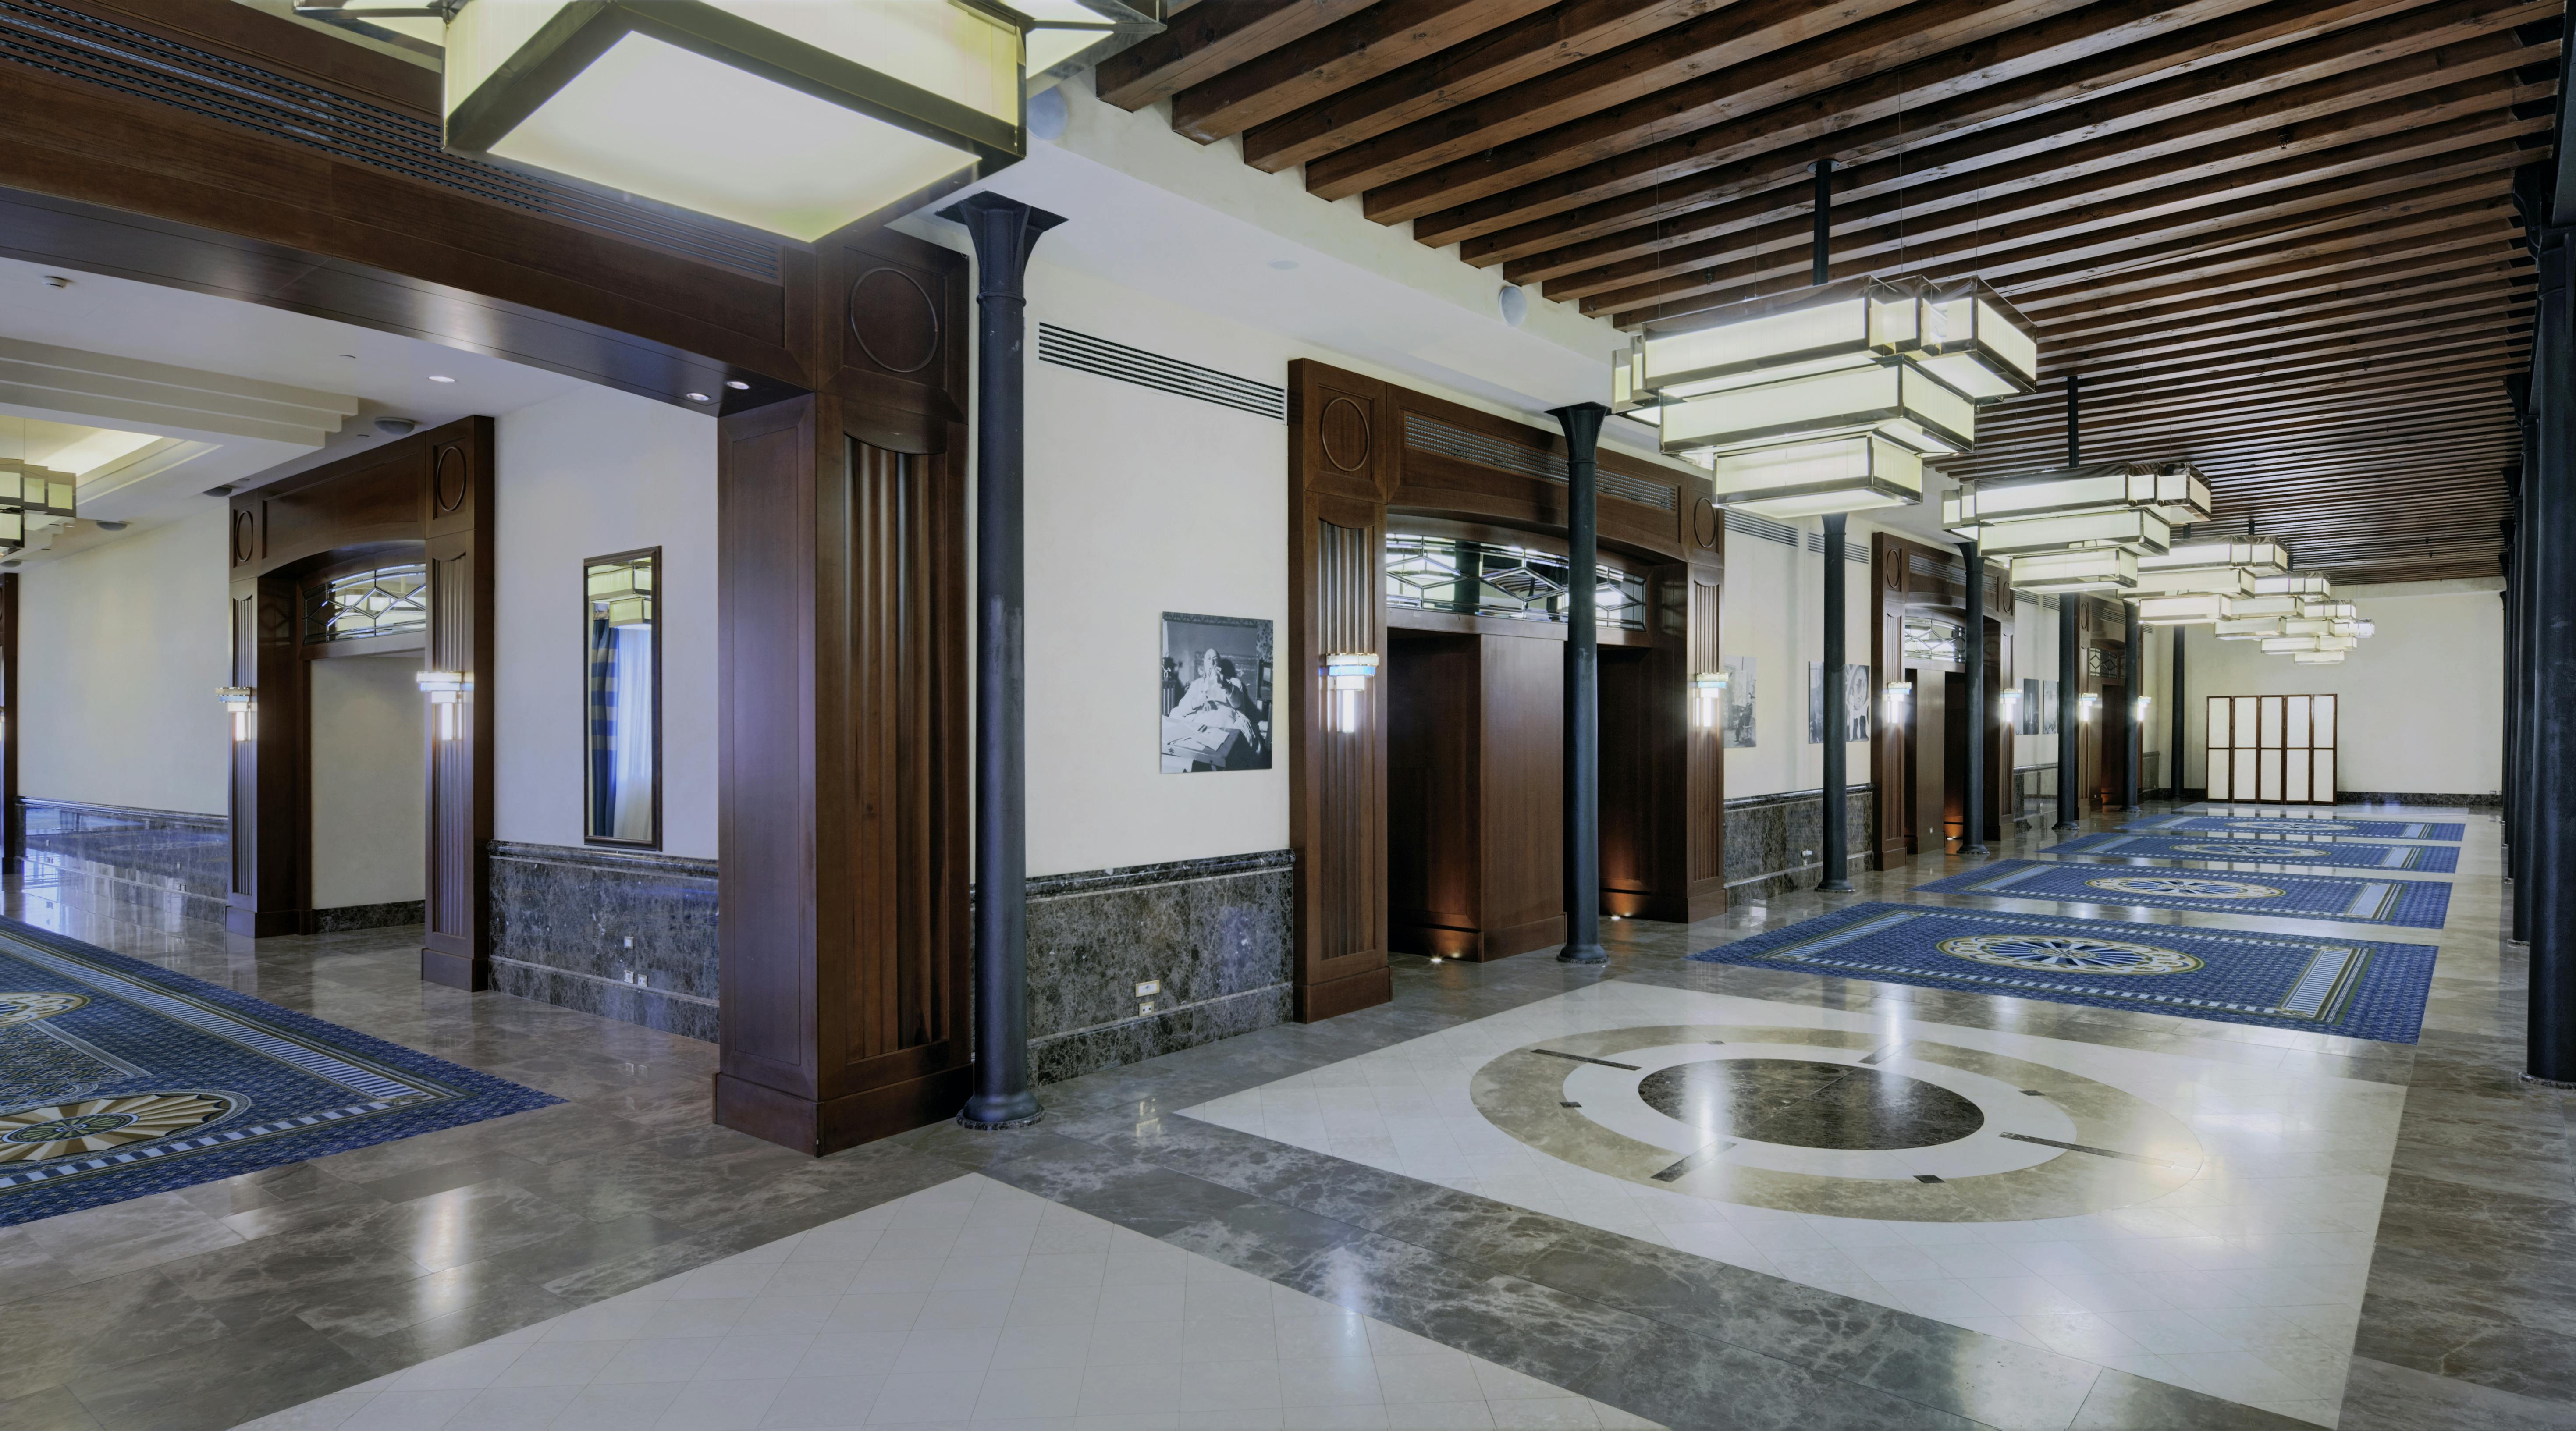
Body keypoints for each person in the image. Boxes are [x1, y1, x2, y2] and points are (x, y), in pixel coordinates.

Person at [1164, 647, 1265, 768]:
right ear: (1204, 664)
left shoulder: (1234, 682)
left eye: (1215, 659)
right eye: (1209, 659)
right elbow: (1182, 708)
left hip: (1224, 719)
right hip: (1201, 722)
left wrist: (1226, 686)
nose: (1212, 662)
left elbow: (1238, 705)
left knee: (1221, 748)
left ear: (1219, 665)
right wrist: (1198, 701)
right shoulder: (1197, 684)